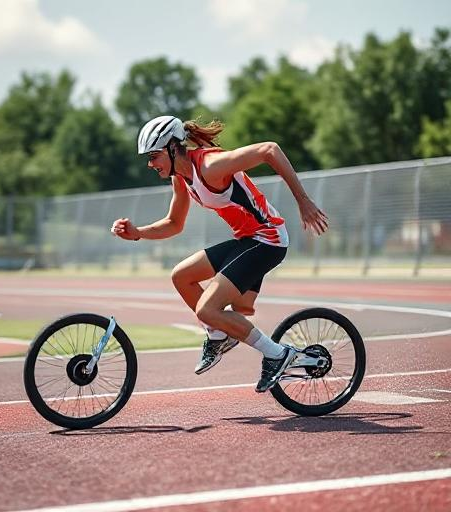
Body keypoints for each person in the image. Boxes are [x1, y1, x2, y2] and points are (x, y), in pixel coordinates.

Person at [111, 116, 328, 392]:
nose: (150, 164)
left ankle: (278, 355)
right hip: (247, 241)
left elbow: (270, 149)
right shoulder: (181, 179)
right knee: (182, 277)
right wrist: (138, 232)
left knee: (208, 309)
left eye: (154, 156)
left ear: (172, 148)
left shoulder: (211, 166)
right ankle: (218, 335)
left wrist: (303, 201)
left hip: (268, 239)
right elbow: (174, 224)